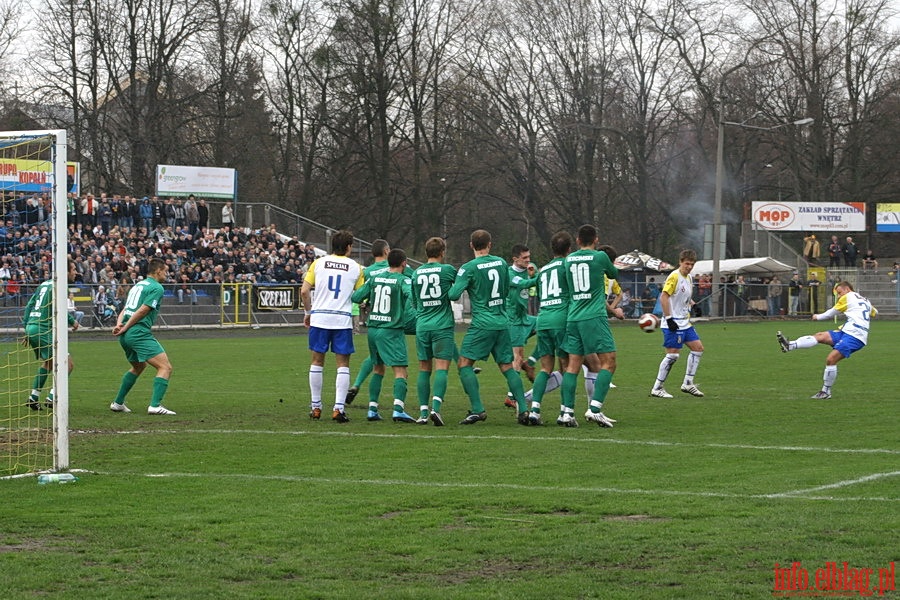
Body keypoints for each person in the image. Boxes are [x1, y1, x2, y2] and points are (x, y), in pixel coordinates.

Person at [448, 229, 529, 425]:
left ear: (471, 245)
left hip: (482, 324)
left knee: (464, 364)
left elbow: (453, 295)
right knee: (508, 367)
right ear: (490, 244)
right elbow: (506, 287)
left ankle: (477, 409)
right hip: (502, 322)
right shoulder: (501, 263)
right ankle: (524, 411)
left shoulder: (469, 267)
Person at [558, 225, 622, 428]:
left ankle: (567, 413)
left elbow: (566, 285)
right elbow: (613, 274)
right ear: (596, 239)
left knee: (573, 366)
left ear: (577, 241)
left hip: (573, 317)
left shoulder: (568, 260)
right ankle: (595, 409)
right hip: (593, 316)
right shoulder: (600, 256)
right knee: (609, 362)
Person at [301, 230, 363, 423]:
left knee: (317, 361)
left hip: (319, 319)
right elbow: (361, 296)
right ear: (348, 247)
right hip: (342, 320)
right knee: (342, 364)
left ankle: (316, 407)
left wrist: (308, 313)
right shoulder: (355, 267)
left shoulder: (318, 263)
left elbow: (304, 291)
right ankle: (338, 408)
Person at [777, 281, 877, 398]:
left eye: (839, 293)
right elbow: (875, 312)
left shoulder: (848, 297)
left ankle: (826, 392)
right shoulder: (865, 300)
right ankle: (790, 345)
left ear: (847, 289)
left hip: (855, 336)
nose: (839, 296)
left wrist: (817, 317)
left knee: (831, 359)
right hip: (847, 331)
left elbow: (831, 313)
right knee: (820, 336)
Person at [349, 248, 415, 423]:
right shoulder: (402, 280)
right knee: (401, 371)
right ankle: (398, 409)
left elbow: (356, 297)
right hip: (391, 330)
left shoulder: (375, 279)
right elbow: (412, 295)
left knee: (378, 368)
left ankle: (372, 409)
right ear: (404, 263)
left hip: (372, 329)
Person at [109, 258, 177, 415]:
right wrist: (125, 326)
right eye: (165, 271)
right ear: (158, 271)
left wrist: (119, 324)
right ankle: (155, 405)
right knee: (165, 367)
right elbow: (143, 310)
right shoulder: (157, 288)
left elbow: (126, 308)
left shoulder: (138, 286)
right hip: (138, 332)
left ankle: (118, 403)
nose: (166, 274)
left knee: (138, 366)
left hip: (126, 335)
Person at [410, 237, 459, 426]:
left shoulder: (416, 273)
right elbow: (460, 286)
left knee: (423, 368)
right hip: (442, 325)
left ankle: (422, 412)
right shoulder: (447, 270)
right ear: (442, 252)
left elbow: (414, 302)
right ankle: (435, 409)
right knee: (442, 368)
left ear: (426, 252)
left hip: (422, 325)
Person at [526, 231, 572, 426]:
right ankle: (565, 413)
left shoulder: (543, 270)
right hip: (560, 319)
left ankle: (534, 410)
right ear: (569, 249)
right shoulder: (569, 265)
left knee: (545, 368)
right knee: (567, 367)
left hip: (542, 319)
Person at [22, 260, 80, 410]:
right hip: (43, 329)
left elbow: (29, 306)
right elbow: (59, 307)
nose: (75, 272)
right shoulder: (59, 285)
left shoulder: (44, 284)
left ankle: (33, 397)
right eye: (73, 269)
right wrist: (73, 322)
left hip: (32, 327)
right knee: (68, 364)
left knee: (48, 363)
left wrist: (26, 328)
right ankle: (52, 398)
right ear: (65, 271)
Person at [649, 248, 705, 398]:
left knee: (698, 349)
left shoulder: (689, 278)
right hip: (673, 322)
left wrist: (694, 305)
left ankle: (688, 383)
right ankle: (657, 388)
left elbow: (683, 297)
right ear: (680, 262)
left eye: (692, 264)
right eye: (687, 263)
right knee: (673, 356)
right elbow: (664, 297)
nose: (689, 267)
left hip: (684, 322)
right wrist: (669, 318)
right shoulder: (674, 276)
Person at [344, 239, 391, 405]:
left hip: (374, 320)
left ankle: (356, 385)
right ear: (386, 251)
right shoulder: (396, 267)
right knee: (399, 367)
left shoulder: (368, 271)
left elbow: (360, 295)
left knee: (374, 358)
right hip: (394, 320)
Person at [502, 244, 537, 408]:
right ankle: (511, 396)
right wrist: (536, 278)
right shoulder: (508, 273)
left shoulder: (530, 268)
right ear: (515, 259)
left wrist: (533, 276)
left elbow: (533, 290)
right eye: (524, 258)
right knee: (517, 356)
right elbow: (523, 284)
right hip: (513, 319)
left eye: (529, 256)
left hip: (525, 317)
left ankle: (531, 361)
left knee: (548, 328)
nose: (528, 260)